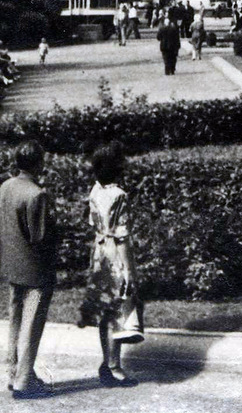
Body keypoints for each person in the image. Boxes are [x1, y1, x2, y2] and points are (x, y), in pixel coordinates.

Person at [0, 140, 58, 400]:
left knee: (15, 318)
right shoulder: (37, 194)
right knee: (32, 321)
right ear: (39, 163)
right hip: (35, 269)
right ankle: (25, 380)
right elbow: (40, 237)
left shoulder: (6, 186)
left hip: (11, 265)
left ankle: (14, 372)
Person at [77, 141, 144, 387]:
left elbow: (93, 224)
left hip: (99, 252)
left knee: (105, 308)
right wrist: (129, 270)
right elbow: (122, 236)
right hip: (115, 253)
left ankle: (108, 361)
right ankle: (114, 366)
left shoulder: (95, 191)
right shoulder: (119, 196)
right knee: (118, 307)